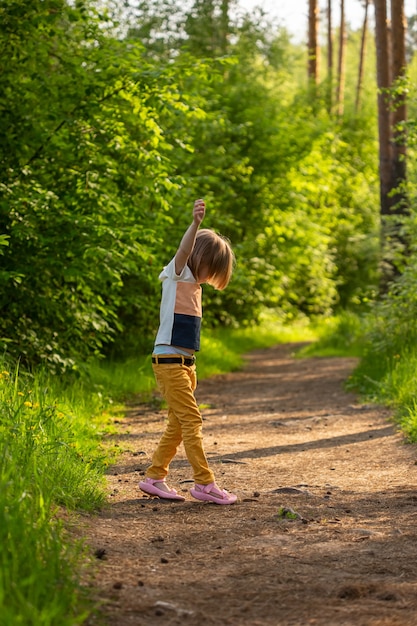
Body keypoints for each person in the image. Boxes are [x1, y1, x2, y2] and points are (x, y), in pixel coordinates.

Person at [139, 199, 237, 505]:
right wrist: (194, 225)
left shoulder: (195, 285)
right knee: (193, 420)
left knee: (179, 424)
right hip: (168, 362)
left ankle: (155, 477)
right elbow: (183, 252)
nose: (210, 275)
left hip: (185, 365)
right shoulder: (178, 273)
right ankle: (204, 483)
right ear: (198, 256)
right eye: (211, 267)